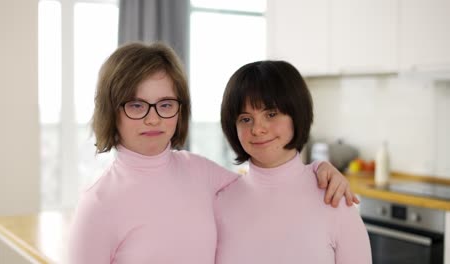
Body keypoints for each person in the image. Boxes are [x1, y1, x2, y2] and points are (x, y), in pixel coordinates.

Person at [68, 42, 358, 264]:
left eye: (165, 104)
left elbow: (269, 184)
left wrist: (319, 169)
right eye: (136, 105)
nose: (153, 118)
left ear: (180, 109)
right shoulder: (98, 203)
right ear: (112, 111)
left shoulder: (202, 173)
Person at [216, 60, 371, 264]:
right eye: (245, 119)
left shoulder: (334, 200)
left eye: (271, 114)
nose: (257, 129)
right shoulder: (220, 202)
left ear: (297, 115)